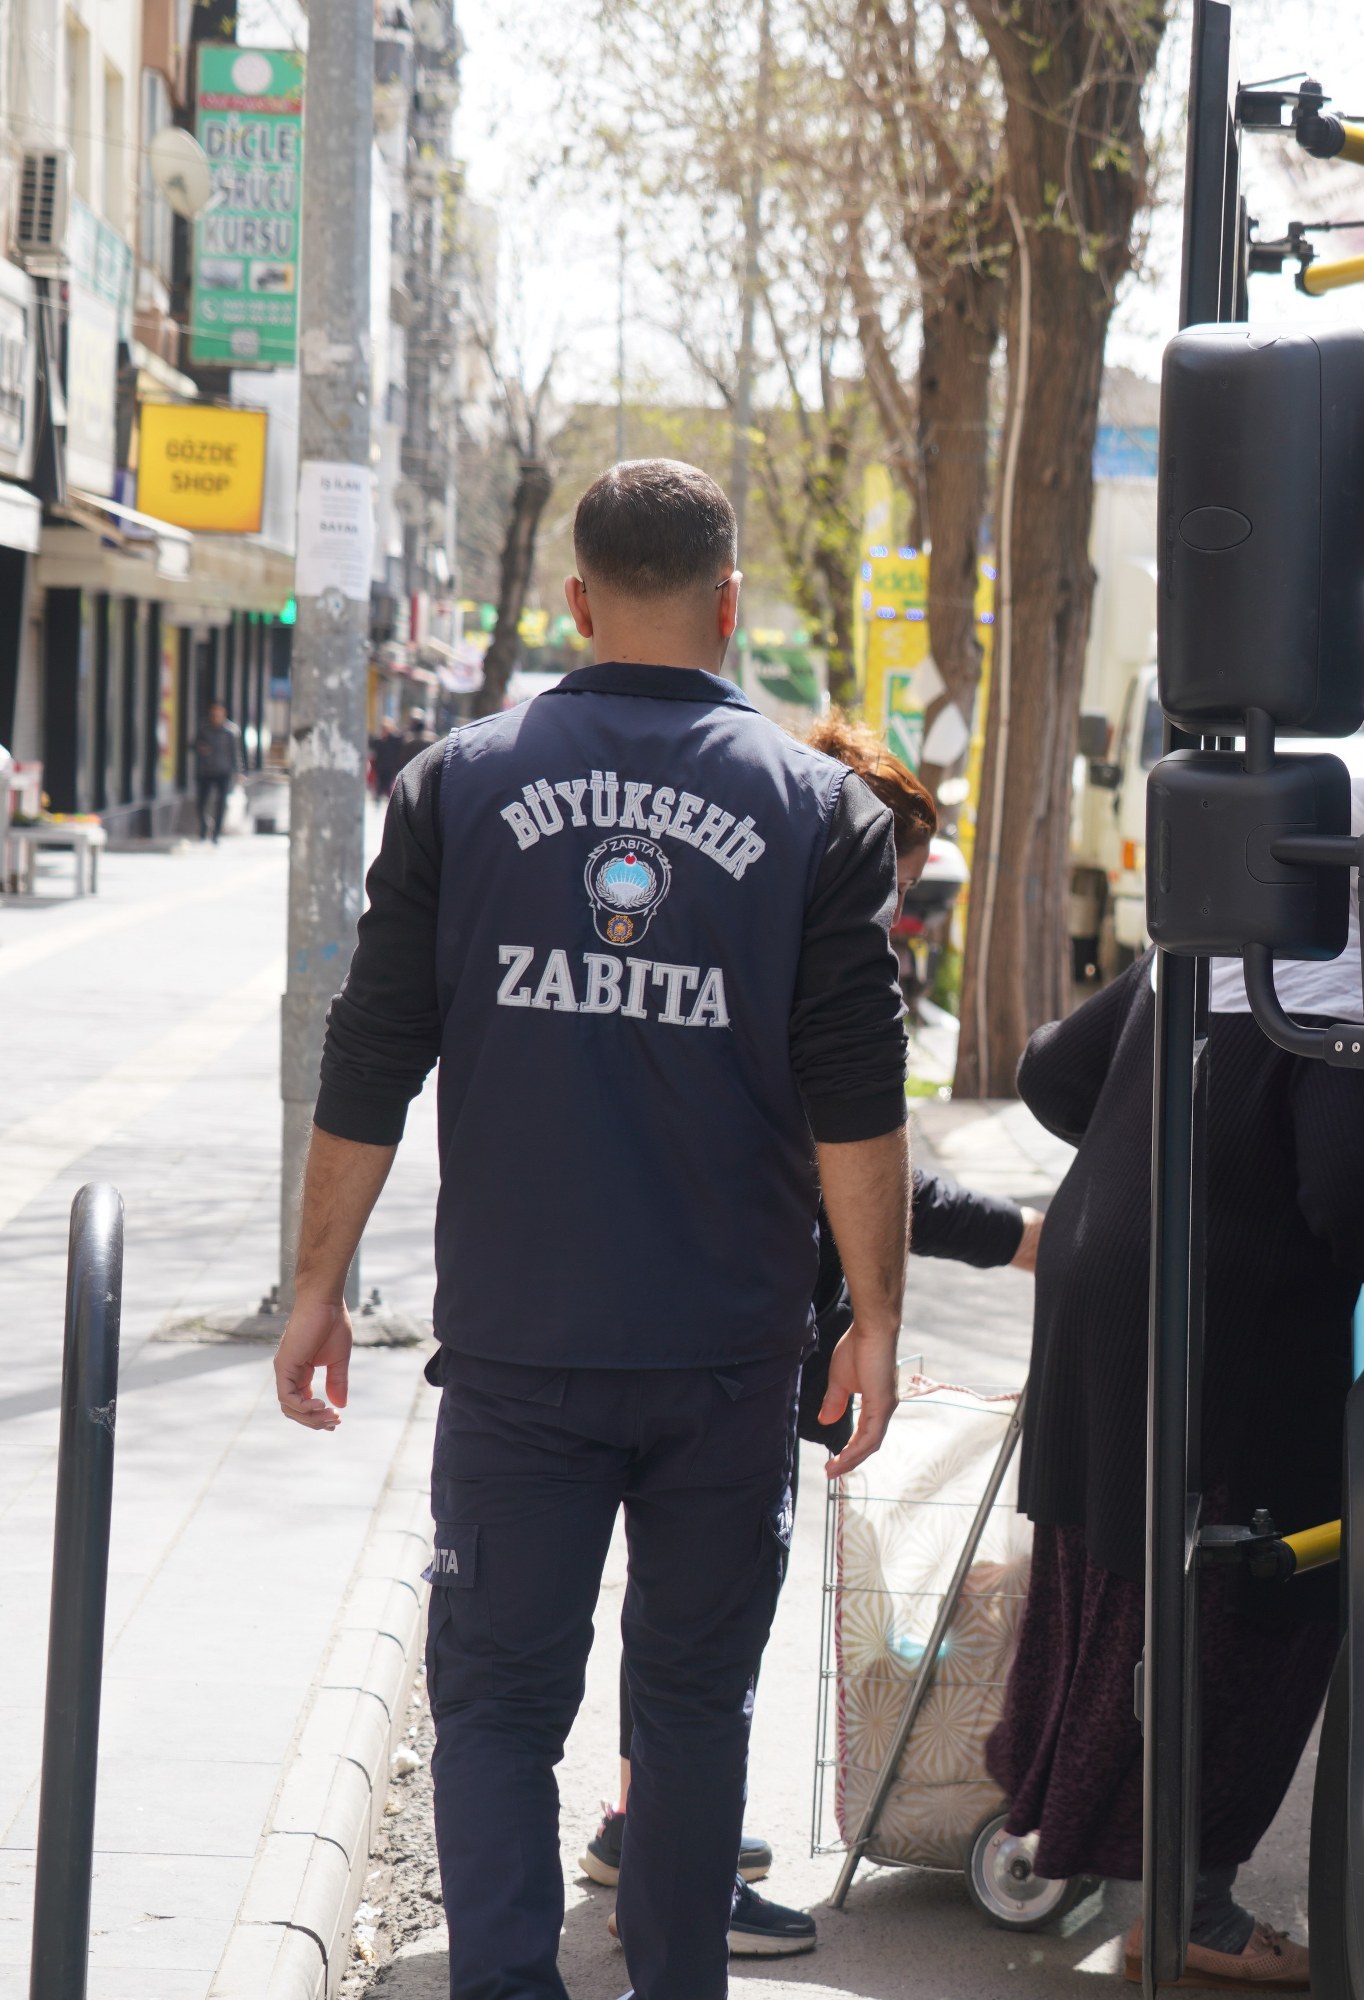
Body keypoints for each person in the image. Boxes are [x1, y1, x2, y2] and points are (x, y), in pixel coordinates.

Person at [272, 458, 912, 2000]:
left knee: (494, 1701)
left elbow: (371, 1053)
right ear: (730, 604)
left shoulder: (455, 785)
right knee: (692, 1705)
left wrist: (314, 1290)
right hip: (724, 1356)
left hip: (519, 1349)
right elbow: (857, 1097)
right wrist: (877, 1319)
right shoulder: (820, 810)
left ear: (573, 601)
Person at [575, 712, 1041, 1955]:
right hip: (730, 1333)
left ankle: (645, 1830)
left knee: (671, 1614)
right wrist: (999, 1253)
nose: (888, 910)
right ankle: (679, 1883)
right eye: (886, 879)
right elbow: (873, 1172)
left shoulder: (726, 933)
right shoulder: (810, 958)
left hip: (651, 1310)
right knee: (701, 1628)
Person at [985, 779, 1364, 1990]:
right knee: (1252, 1598)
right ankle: (1191, 1905)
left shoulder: (1201, 956)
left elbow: (1048, 1073)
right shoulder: (1334, 990)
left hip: (1097, 1291)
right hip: (1218, 1327)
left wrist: (1151, 1147)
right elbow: (1339, 1191)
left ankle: (1069, 1822)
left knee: (1108, 1568)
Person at [192, 702, 240, 841]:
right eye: (213, 715)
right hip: (205, 771)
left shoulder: (230, 732)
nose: (216, 717)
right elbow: (193, 745)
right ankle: (204, 827)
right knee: (201, 803)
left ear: (224, 715)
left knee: (221, 803)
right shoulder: (204, 730)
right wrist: (200, 748)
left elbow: (235, 753)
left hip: (223, 772)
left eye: (219, 715)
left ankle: (216, 833)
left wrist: (238, 772)